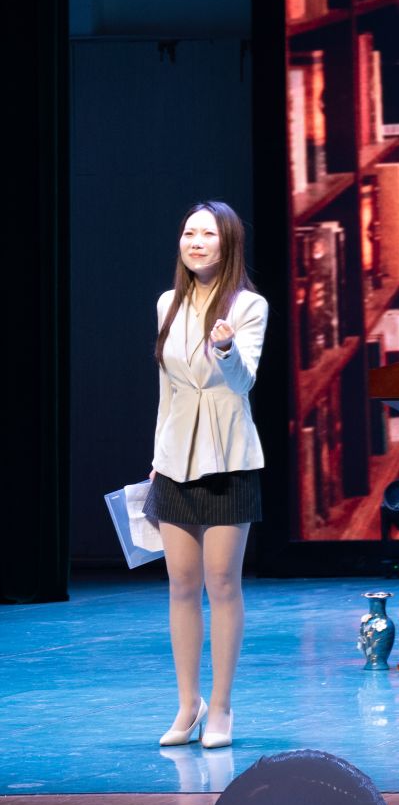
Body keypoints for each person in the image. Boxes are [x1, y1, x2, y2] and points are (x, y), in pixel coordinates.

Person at [148, 202, 269, 749]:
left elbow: (243, 384)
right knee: (181, 585)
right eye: (188, 232)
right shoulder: (167, 303)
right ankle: (187, 704)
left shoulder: (248, 306)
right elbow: (167, 389)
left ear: (228, 243)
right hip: (175, 459)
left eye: (208, 234)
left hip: (228, 458)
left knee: (221, 583)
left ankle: (220, 707)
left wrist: (225, 348)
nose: (196, 242)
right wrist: (157, 456)